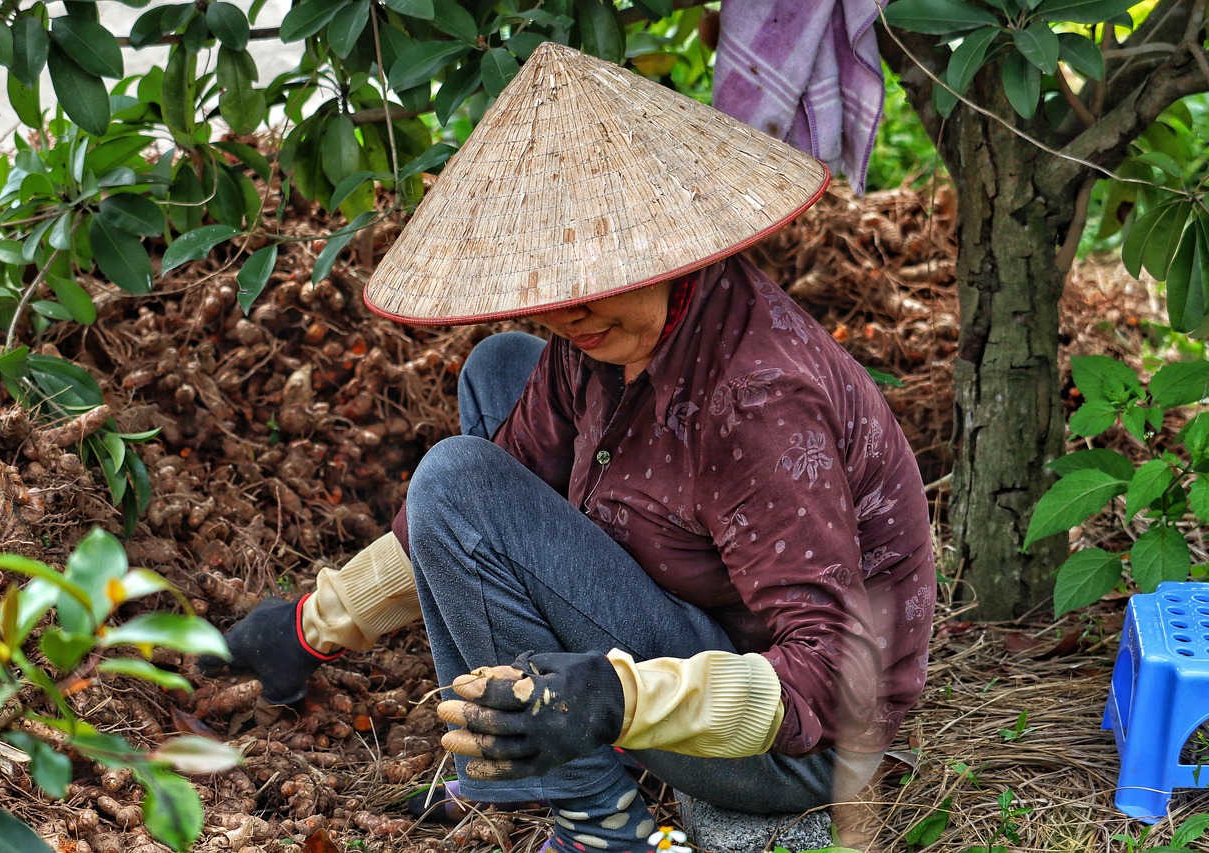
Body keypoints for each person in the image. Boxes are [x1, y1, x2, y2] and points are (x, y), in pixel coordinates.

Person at [200, 41, 934, 853]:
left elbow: (828, 677)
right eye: (556, 291)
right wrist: (312, 626)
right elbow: (502, 476)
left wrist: (618, 698)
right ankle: (547, 738)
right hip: (701, 610)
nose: (573, 316)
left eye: (599, 285)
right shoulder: (604, 346)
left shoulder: (753, 404)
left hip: (802, 745)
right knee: (500, 371)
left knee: (453, 478)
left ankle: (595, 816)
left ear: (667, 247)